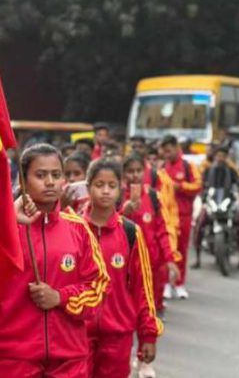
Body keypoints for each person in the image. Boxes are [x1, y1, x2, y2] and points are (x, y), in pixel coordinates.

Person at [0, 144, 110, 378]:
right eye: (40, 175)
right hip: (14, 357)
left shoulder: (78, 229)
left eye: (56, 175)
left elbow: (99, 287)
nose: (50, 182)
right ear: (23, 180)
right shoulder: (2, 230)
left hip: (69, 358)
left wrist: (60, 297)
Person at [82, 159, 162, 378]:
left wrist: (148, 336)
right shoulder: (74, 228)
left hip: (118, 336)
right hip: (78, 335)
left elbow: (143, 289)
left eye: (111, 186)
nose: (105, 191)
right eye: (99, 185)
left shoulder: (130, 232)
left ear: (121, 189)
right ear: (88, 187)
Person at [122, 154, 180, 316]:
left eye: (139, 170)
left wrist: (169, 259)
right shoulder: (116, 197)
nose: (134, 175)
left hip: (152, 260)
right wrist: (123, 212)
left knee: (150, 305)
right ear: (123, 174)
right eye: (130, 171)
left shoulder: (154, 197)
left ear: (145, 172)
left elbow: (163, 231)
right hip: (125, 262)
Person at [194, 146, 239, 270]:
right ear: (215, 157)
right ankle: (197, 259)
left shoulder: (231, 171)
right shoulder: (208, 170)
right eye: (219, 155)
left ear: (226, 157)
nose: (221, 158)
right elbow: (201, 185)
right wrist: (201, 194)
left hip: (227, 203)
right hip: (211, 202)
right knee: (199, 225)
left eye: (223, 156)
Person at [159, 135, 202, 299]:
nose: (167, 154)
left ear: (177, 147)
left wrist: (180, 186)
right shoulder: (162, 167)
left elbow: (198, 186)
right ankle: (165, 284)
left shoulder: (188, 166)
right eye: (164, 151)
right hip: (165, 216)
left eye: (169, 150)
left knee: (182, 250)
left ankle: (179, 284)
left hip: (183, 216)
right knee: (166, 252)